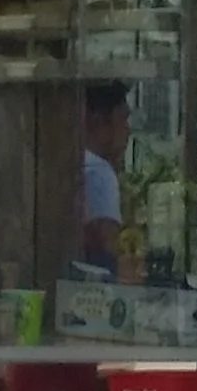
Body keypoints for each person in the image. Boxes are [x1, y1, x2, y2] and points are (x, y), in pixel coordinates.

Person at [78, 82, 130, 272]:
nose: (127, 129)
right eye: (122, 119)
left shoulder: (78, 164)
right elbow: (107, 245)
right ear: (98, 121)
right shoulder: (99, 173)